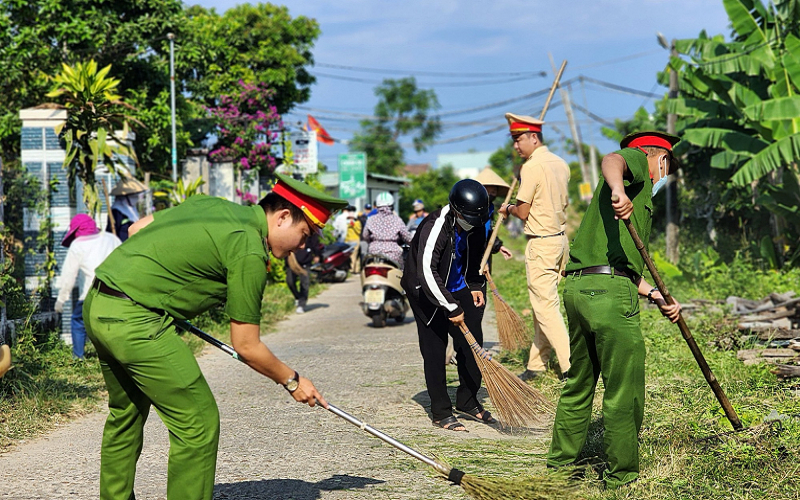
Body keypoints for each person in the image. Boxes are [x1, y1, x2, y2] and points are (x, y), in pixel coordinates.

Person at [83, 173, 347, 500]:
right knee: (198, 424)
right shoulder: (249, 248)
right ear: (282, 217)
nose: (303, 246)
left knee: (126, 415)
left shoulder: (214, 206)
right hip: (135, 321)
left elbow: (137, 229)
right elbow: (247, 346)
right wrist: (292, 381)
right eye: (304, 234)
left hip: (99, 303)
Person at [546, 131, 682, 489]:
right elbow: (613, 159)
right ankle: (621, 476)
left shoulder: (631, 200)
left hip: (579, 289)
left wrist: (654, 294)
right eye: (667, 166)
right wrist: (619, 189)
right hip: (609, 295)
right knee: (624, 387)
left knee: (579, 384)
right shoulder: (636, 163)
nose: (665, 175)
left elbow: (619, 265)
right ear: (659, 157)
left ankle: (560, 469)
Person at [401, 179, 495, 431]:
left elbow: (476, 255)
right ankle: (441, 411)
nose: (471, 223)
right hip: (425, 290)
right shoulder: (436, 226)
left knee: (472, 339)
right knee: (435, 346)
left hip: (456, 285)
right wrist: (451, 308)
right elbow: (426, 272)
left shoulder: (474, 221)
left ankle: (467, 400)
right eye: (467, 218)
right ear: (455, 209)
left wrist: (475, 285)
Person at [499, 113, 571, 381]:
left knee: (545, 307)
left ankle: (570, 367)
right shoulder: (561, 163)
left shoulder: (530, 167)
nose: (516, 146)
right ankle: (537, 364)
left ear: (534, 137)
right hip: (560, 242)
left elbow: (523, 212)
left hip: (541, 243)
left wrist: (507, 207)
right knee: (546, 304)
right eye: (514, 140)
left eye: (519, 139)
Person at [54, 214, 122, 359]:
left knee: (78, 321)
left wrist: (61, 299)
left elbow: (69, 275)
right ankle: (117, 355)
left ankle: (78, 357)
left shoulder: (78, 245)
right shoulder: (111, 238)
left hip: (92, 293)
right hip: (117, 293)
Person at [361, 192, 412, 269]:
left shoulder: (371, 220)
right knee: (402, 273)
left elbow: (365, 236)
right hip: (393, 255)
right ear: (391, 206)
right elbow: (407, 237)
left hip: (374, 254)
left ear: (377, 206)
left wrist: (373, 242)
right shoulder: (397, 220)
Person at [285, 230, 322, 314]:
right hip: (292, 258)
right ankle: (297, 297)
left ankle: (301, 304)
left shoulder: (309, 228)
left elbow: (315, 241)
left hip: (305, 259)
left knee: (304, 283)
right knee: (290, 281)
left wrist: (316, 254)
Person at [107, 176, 148, 242]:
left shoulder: (132, 210)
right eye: (133, 197)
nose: (136, 199)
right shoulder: (116, 212)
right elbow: (111, 231)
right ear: (124, 197)